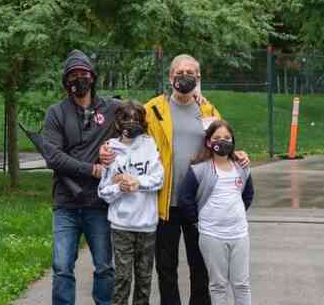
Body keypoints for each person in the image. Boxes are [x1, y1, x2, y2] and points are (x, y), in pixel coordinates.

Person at [101, 54, 249, 305]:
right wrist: (106, 148)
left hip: (199, 204)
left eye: (190, 72)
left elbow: (222, 142)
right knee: (166, 268)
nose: (184, 77)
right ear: (170, 77)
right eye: (179, 72)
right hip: (163, 203)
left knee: (200, 266)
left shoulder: (208, 110)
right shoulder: (153, 109)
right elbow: (127, 133)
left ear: (198, 78)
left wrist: (238, 154)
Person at [42, 50, 119, 305]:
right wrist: (91, 169)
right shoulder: (56, 113)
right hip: (66, 204)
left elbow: (146, 113)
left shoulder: (111, 108)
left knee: (105, 267)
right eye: (73, 75)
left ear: (92, 77)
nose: (79, 79)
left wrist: (191, 97)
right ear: (66, 81)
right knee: (62, 267)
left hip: (99, 203)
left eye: (83, 74)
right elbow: (53, 157)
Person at [178, 120, 254, 305]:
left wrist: (235, 214)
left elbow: (248, 194)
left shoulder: (242, 168)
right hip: (212, 235)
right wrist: (199, 221)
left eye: (227, 138)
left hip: (239, 234)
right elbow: (185, 199)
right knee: (218, 284)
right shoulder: (199, 170)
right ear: (208, 142)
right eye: (217, 138)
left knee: (241, 283)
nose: (223, 141)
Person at [98, 101, 164, 305]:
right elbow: (103, 191)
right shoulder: (110, 150)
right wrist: (119, 188)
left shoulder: (150, 145)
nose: (131, 123)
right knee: (122, 279)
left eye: (136, 119)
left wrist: (137, 182)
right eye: (126, 118)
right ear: (118, 122)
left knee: (144, 280)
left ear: (143, 121)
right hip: (121, 227)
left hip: (147, 226)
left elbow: (158, 178)